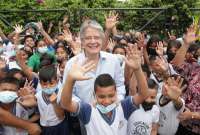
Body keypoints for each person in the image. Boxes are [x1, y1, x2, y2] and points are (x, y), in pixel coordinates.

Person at [60, 45, 150, 135]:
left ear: (116, 93)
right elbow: (65, 104)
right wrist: (70, 79)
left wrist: (138, 69)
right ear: (95, 95)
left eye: (111, 95)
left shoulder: (123, 107)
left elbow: (143, 94)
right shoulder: (88, 111)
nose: (106, 101)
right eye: (101, 97)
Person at [61, 20, 126, 103]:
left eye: (96, 37)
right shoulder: (72, 64)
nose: (93, 41)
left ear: (102, 39)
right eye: (88, 38)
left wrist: (115, 102)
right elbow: (68, 93)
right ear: (82, 41)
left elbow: (120, 86)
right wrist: (84, 109)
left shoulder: (113, 60)